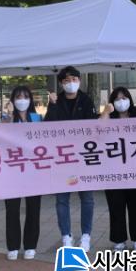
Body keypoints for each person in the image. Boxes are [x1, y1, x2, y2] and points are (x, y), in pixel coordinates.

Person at [45, 66, 97, 251]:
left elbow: (93, 128)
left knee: (87, 198)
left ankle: (86, 236)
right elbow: (47, 128)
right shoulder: (56, 101)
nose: (71, 83)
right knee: (62, 200)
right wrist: (52, 105)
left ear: (79, 81)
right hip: (62, 158)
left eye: (74, 79)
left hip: (84, 158)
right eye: (66, 80)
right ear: (61, 83)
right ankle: (66, 236)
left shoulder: (86, 100)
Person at [100, 87, 136, 251]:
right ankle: (119, 240)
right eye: (117, 99)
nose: (121, 102)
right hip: (112, 171)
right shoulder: (109, 118)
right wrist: (106, 112)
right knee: (116, 206)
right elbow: (97, 130)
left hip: (135, 170)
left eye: (124, 98)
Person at [4, 85, 43, 261]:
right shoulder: (7, 118)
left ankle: (30, 245)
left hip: (34, 171)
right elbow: (1, 137)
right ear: (12, 100)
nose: (22, 100)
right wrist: (9, 116)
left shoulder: (37, 118)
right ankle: (12, 245)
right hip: (12, 171)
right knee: (12, 209)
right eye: (18, 97)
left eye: (25, 97)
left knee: (33, 209)